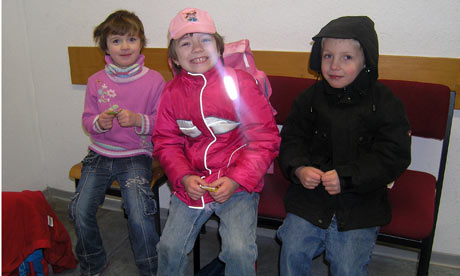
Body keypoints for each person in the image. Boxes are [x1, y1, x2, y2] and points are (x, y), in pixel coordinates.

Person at [277, 16, 411, 276]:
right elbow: (292, 140)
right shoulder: (309, 99)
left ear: (366, 61)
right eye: (327, 56)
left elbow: (393, 154)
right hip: (311, 196)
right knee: (293, 250)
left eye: (346, 58)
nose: (334, 65)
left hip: (362, 199)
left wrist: (348, 178)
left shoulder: (385, 102)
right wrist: (299, 169)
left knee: (347, 265)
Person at [152, 7, 281, 276]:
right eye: (185, 43)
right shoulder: (171, 93)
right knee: (169, 248)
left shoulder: (241, 83)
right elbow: (166, 142)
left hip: (237, 183)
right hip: (192, 183)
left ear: (219, 48)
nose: (196, 48)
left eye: (205, 40)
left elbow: (264, 138)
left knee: (238, 250)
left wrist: (236, 179)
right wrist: (184, 177)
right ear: (174, 57)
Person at [69, 10, 165, 276]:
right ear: (106, 46)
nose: (125, 46)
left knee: (138, 211)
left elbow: (163, 124)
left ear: (141, 43)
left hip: (136, 155)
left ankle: (151, 268)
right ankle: (93, 263)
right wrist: (98, 123)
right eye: (116, 40)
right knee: (79, 208)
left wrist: (137, 120)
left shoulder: (155, 80)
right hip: (99, 154)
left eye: (131, 39)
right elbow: (87, 120)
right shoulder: (95, 81)